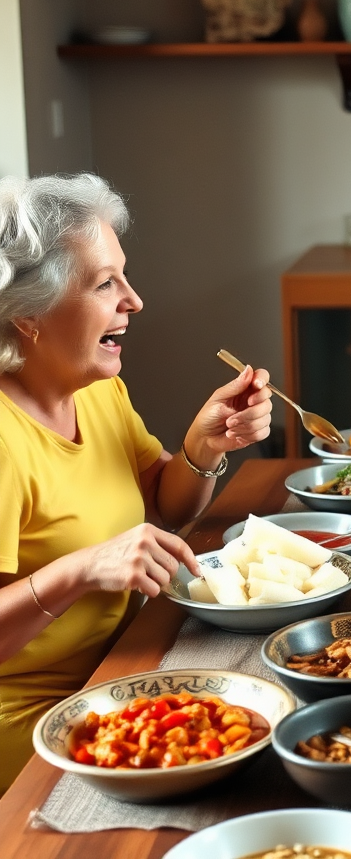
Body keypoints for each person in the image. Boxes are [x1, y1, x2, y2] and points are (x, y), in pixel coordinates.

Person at [0, 173, 273, 793]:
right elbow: (103, 556)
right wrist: (79, 570)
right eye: (104, 284)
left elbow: (162, 503)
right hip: (31, 720)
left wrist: (203, 445)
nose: (135, 300)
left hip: (122, 668)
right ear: (28, 314)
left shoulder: (96, 391)